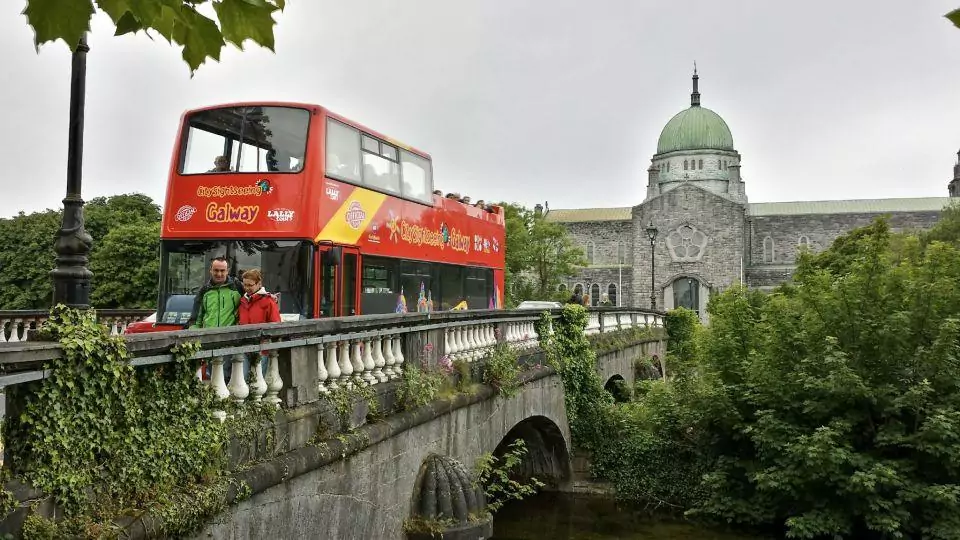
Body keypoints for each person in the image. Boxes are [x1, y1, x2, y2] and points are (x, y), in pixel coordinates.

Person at [238, 268, 281, 380]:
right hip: (244, 345)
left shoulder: (268, 301)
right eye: (245, 285)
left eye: (250, 285)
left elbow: (276, 325)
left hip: (262, 347)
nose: (247, 288)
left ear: (259, 284)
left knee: (258, 381)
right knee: (243, 379)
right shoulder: (242, 301)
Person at [187, 257, 244, 329]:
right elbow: (195, 319)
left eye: (222, 271)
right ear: (210, 270)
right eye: (216, 270)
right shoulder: (204, 290)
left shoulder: (237, 287)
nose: (219, 274)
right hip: (209, 336)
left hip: (231, 336)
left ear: (227, 271)